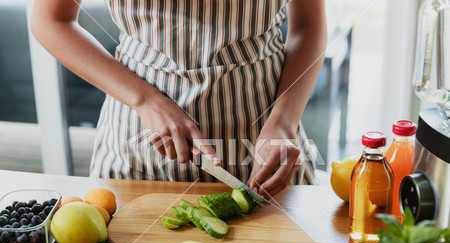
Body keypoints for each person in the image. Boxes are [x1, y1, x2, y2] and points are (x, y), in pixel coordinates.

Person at [31, 0, 327, 197]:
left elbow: (308, 26)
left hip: (265, 132)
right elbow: (51, 20)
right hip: (140, 143)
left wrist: (283, 122)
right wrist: (145, 100)